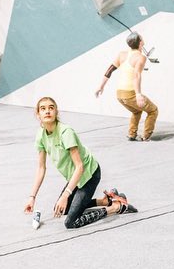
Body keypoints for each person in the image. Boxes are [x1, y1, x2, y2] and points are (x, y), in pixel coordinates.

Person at [23, 96, 137, 229]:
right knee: (62, 209)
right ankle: (106, 200)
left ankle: (116, 207)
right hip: (75, 177)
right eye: (43, 109)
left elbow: (80, 166)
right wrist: (32, 197)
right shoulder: (40, 135)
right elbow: (41, 168)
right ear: (38, 114)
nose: (47, 111)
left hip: (89, 174)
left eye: (51, 108)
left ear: (56, 112)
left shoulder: (66, 132)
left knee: (71, 222)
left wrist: (66, 194)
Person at [95, 32, 159, 141]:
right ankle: (146, 136)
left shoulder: (121, 54)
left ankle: (131, 134)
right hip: (130, 94)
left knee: (136, 111)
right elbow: (136, 75)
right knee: (153, 110)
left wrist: (101, 86)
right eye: (142, 38)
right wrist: (138, 94)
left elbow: (109, 70)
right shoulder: (141, 57)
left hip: (120, 94)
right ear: (140, 42)